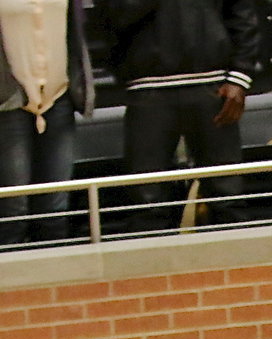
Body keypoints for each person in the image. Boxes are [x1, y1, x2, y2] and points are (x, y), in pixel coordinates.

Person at [95, 0, 258, 232]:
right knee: (146, 201)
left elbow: (243, 14)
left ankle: (239, 267)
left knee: (227, 194)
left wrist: (240, 76)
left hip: (212, 85)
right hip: (147, 87)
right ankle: (154, 266)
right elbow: (111, 18)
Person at [0, 0, 93, 246]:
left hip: (58, 98)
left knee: (55, 209)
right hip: (8, 104)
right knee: (12, 209)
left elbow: (76, 32)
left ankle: (56, 278)